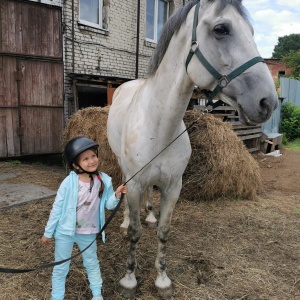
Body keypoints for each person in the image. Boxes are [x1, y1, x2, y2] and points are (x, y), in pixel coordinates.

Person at [41, 136, 127, 300]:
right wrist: (48, 232)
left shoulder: (104, 180)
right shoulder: (68, 182)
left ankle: (97, 293)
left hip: (88, 231)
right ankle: (57, 296)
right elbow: (57, 208)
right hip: (65, 231)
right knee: (60, 267)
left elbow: (108, 205)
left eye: (93, 156)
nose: (92, 161)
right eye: (85, 158)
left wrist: (116, 195)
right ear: (75, 164)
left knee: (91, 263)